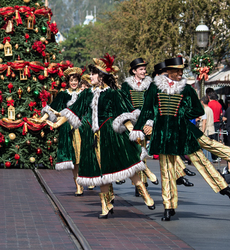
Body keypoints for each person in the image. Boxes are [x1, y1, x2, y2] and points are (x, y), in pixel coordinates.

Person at [132, 56, 230, 222]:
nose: (180, 74)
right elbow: (147, 109)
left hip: (182, 131)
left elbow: (197, 109)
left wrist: (181, 115)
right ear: (168, 71)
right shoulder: (155, 87)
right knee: (166, 171)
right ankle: (168, 206)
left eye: (182, 71)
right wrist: (141, 128)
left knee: (201, 157)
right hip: (162, 135)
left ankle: (225, 184)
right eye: (177, 71)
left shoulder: (186, 89)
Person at [51, 54, 155, 219]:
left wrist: (133, 131)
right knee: (102, 173)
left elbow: (124, 114)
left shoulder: (112, 93)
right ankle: (105, 206)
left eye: (93, 74)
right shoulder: (87, 94)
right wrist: (57, 123)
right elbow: (73, 111)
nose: (89, 77)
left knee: (128, 163)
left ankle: (146, 196)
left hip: (112, 135)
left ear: (101, 77)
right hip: (94, 137)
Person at [119, 57, 160, 193]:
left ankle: (143, 182)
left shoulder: (150, 85)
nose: (144, 71)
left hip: (146, 120)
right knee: (136, 149)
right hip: (132, 121)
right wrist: (133, 113)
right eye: (141, 69)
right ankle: (139, 182)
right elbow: (124, 102)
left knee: (143, 149)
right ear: (134, 71)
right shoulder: (126, 85)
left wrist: (150, 119)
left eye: (144, 69)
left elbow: (153, 103)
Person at [42, 67, 85, 196]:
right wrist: (42, 119)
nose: (74, 83)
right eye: (72, 80)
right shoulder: (63, 94)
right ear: (68, 81)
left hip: (83, 128)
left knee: (85, 156)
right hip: (68, 129)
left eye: (76, 80)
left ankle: (87, 178)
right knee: (75, 158)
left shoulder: (84, 94)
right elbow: (52, 108)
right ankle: (78, 185)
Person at [200, 96, 216, 162]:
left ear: (202, 102)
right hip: (212, 130)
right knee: (209, 147)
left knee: (205, 147)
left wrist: (202, 131)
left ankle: (209, 161)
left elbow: (204, 121)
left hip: (206, 131)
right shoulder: (210, 109)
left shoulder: (204, 110)